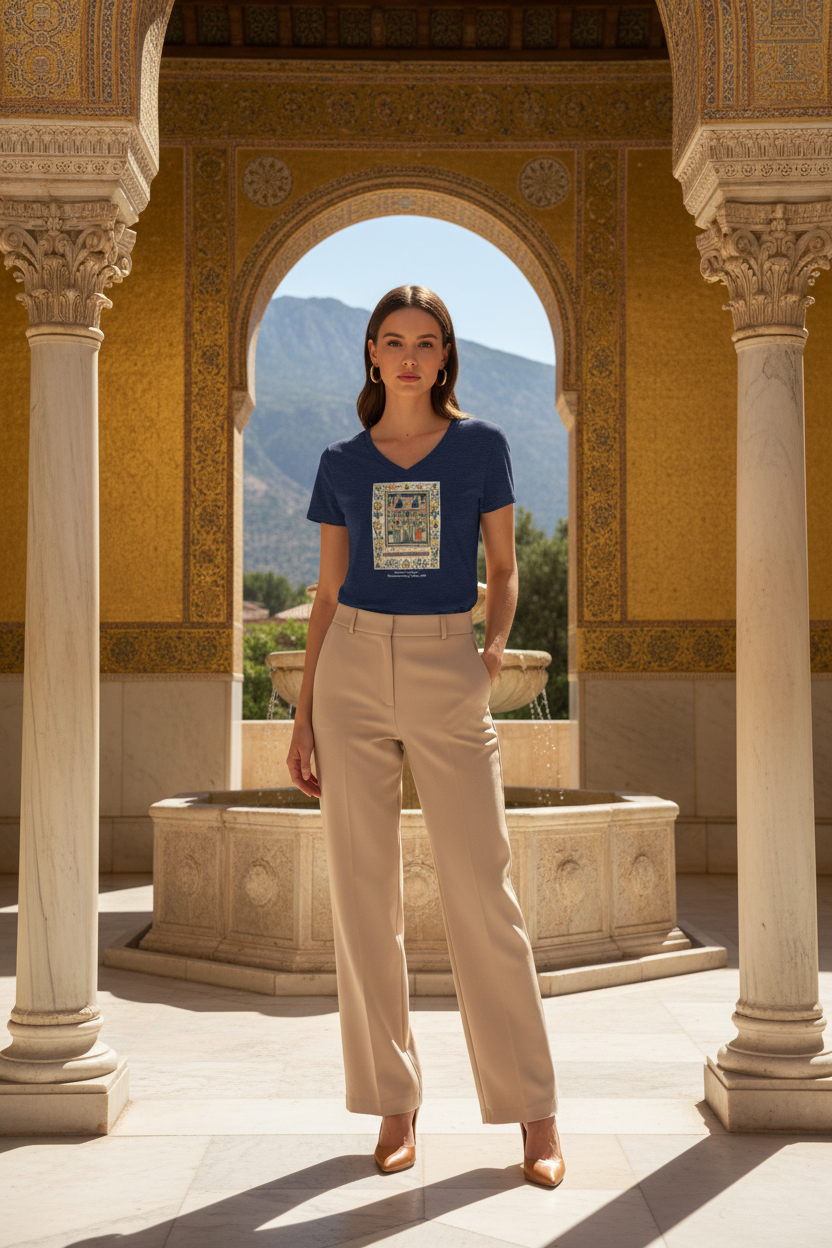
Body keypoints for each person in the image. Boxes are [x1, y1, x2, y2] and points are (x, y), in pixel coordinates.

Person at [286, 285, 564, 1188]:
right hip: (353, 672)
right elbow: (328, 594)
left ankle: (534, 1116)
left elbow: (503, 567)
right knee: (364, 901)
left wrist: (484, 657)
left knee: (484, 891)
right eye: (394, 341)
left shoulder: (483, 445)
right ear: (371, 354)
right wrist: (304, 714)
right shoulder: (340, 461)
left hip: (449, 667)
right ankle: (395, 1107)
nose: (410, 356)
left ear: (446, 357)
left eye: (427, 342)